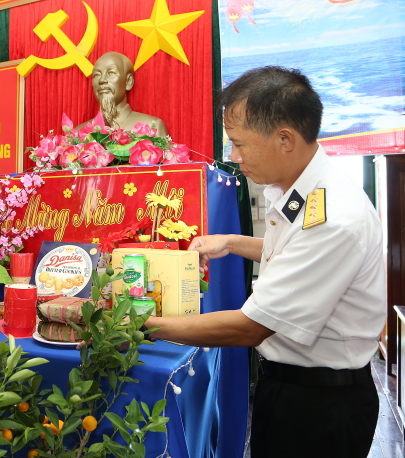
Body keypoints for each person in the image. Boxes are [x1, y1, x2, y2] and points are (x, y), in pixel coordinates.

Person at [143, 66, 385, 457]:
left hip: (319, 405)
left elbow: (250, 327)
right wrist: (235, 243)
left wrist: (142, 325)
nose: (233, 158)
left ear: (285, 139)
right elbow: (291, 253)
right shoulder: (305, 189)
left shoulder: (333, 217)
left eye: (240, 144)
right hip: (291, 388)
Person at [79, 52, 167, 136]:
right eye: (97, 75)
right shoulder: (79, 133)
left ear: (128, 81)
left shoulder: (152, 128)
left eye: (111, 73)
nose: (102, 80)